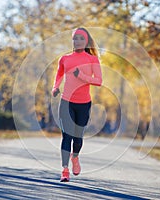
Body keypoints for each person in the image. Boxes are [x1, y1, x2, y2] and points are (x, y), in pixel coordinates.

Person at [52, 27, 102, 182]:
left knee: (78, 138)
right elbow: (59, 74)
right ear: (72, 40)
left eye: (81, 38)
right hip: (66, 102)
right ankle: (64, 170)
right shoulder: (65, 59)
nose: (78, 41)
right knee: (66, 136)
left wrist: (81, 76)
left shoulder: (92, 59)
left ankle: (75, 157)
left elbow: (99, 81)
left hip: (83, 103)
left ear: (86, 41)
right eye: (75, 38)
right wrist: (55, 87)